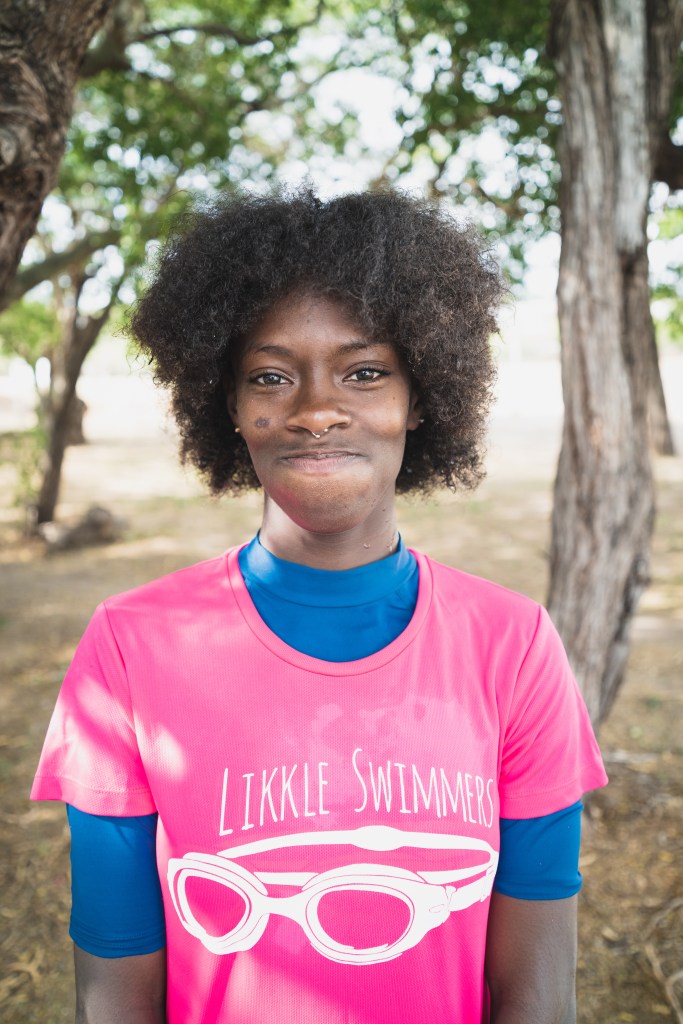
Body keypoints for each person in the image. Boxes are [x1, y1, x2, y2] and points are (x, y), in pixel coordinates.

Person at [31, 188, 608, 1024]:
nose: (315, 411)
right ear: (231, 408)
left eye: (364, 372)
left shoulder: (511, 644)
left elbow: (538, 991)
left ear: (421, 396)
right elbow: (114, 989)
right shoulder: (130, 646)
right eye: (270, 377)